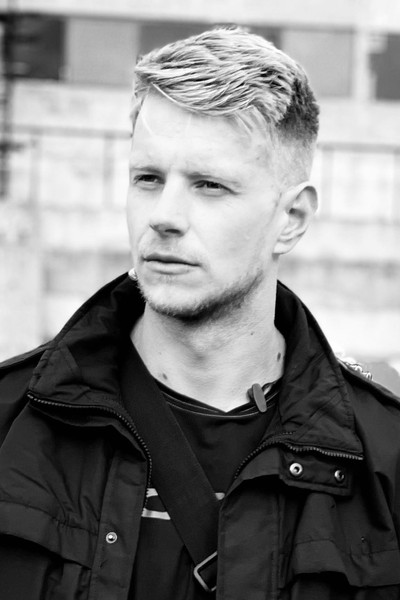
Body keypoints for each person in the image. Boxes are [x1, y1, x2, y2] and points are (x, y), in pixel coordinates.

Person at [0, 26, 400, 600]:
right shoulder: (13, 421)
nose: (163, 216)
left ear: (291, 220)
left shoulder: (383, 458)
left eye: (209, 185)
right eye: (148, 178)